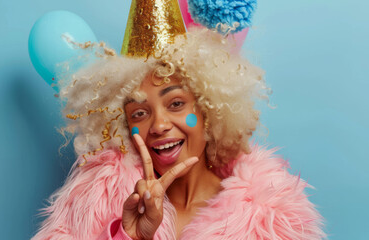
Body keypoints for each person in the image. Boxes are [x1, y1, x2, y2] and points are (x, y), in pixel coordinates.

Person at [32, 1, 325, 239]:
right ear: (124, 125)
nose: (159, 125)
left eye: (175, 103)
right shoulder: (93, 207)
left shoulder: (273, 219)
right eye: (140, 113)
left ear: (208, 111)